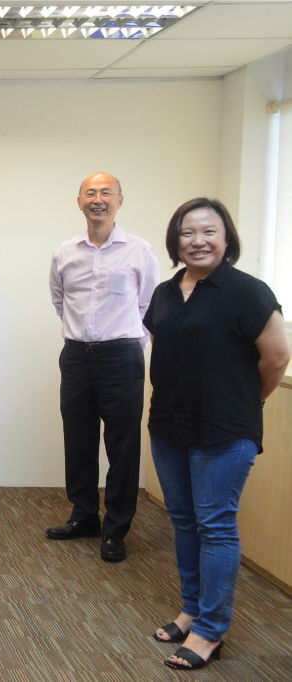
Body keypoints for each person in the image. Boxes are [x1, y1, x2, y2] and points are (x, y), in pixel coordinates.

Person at [144, 198, 289, 671]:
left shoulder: (248, 292)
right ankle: (190, 609)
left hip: (226, 429)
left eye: (209, 231)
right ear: (175, 240)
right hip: (169, 423)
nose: (198, 240)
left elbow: (277, 357)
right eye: (188, 232)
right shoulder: (166, 292)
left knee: (216, 525)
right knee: (183, 521)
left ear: (227, 239)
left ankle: (210, 630)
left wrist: (250, 403)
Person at [46, 172, 159, 562]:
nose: (98, 199)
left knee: (123, 444)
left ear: (119, 201)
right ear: (79, 202)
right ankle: (83, 517)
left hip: (122, 356)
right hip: (76, 355)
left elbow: (149, 306)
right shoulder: (65, 252)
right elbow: (60, 301)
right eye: (90, 193)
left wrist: (129, 341)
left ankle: (116, 528)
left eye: (105, 192)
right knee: (78, 439)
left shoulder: (139, 250)